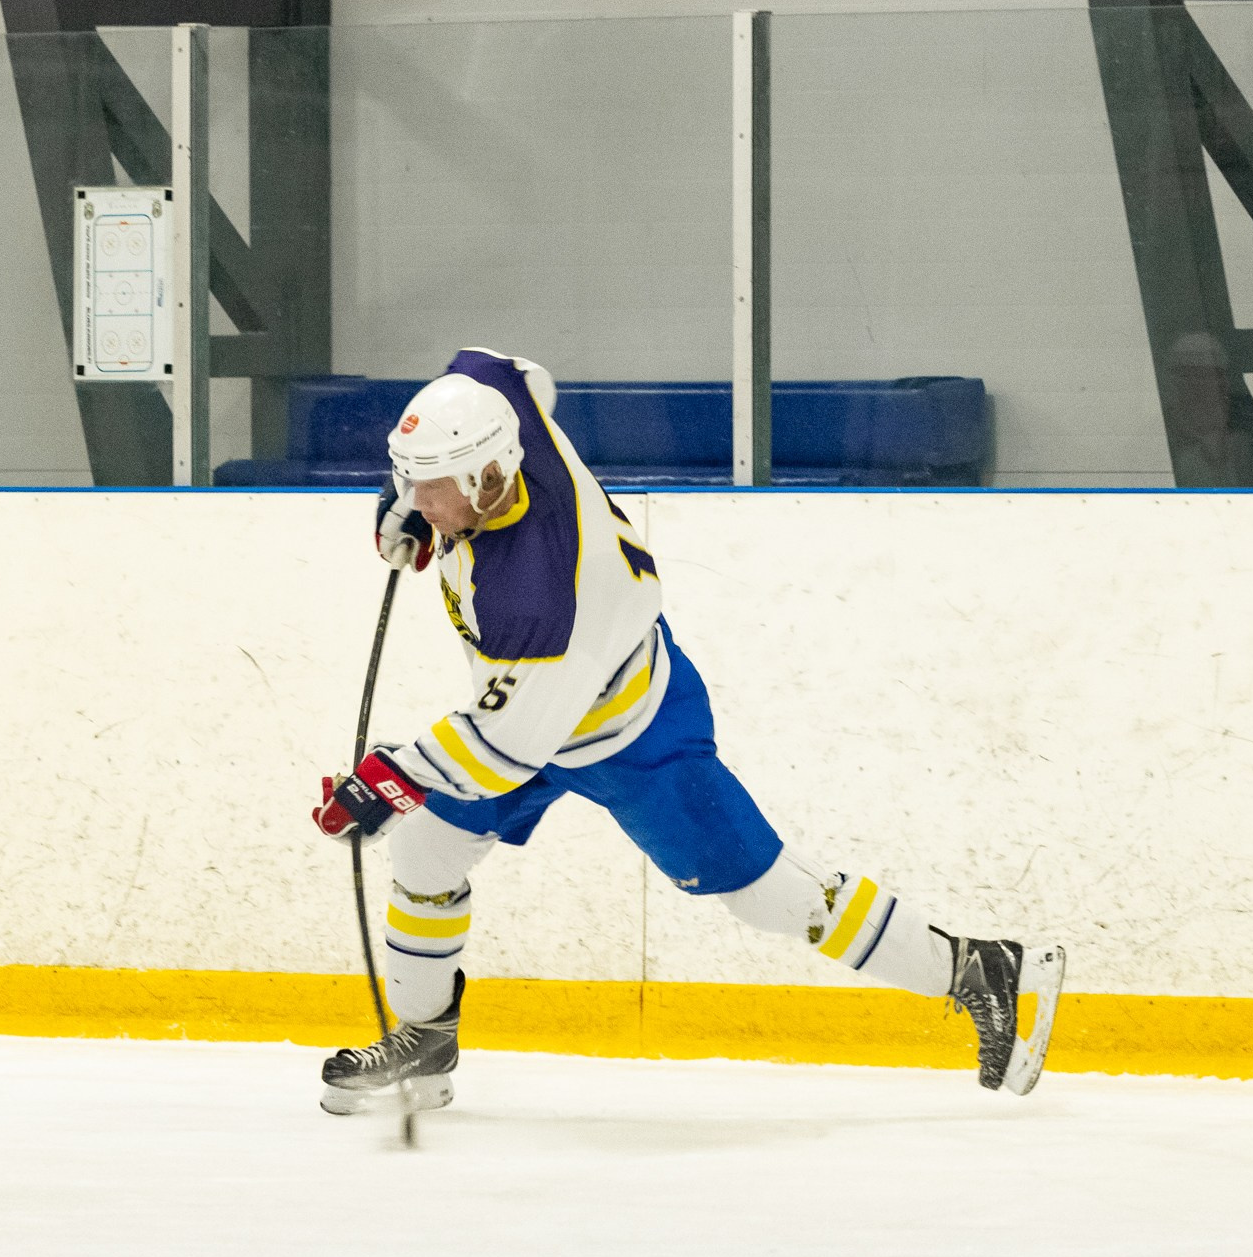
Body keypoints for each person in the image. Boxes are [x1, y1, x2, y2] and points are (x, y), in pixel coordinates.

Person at [311, 348, 1062, 1114]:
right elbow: (513, 369)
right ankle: (426, 1034)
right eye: (410, 476)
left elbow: (504, 747)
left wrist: (387, 777)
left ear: (486, 477)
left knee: (770, 897)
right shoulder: (499, 412)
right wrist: (406, 504)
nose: (418, 498)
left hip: (634, 736)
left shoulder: (543, 587)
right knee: (427, 841)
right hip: (534, 710)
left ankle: (977, 967)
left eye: (430, 487)